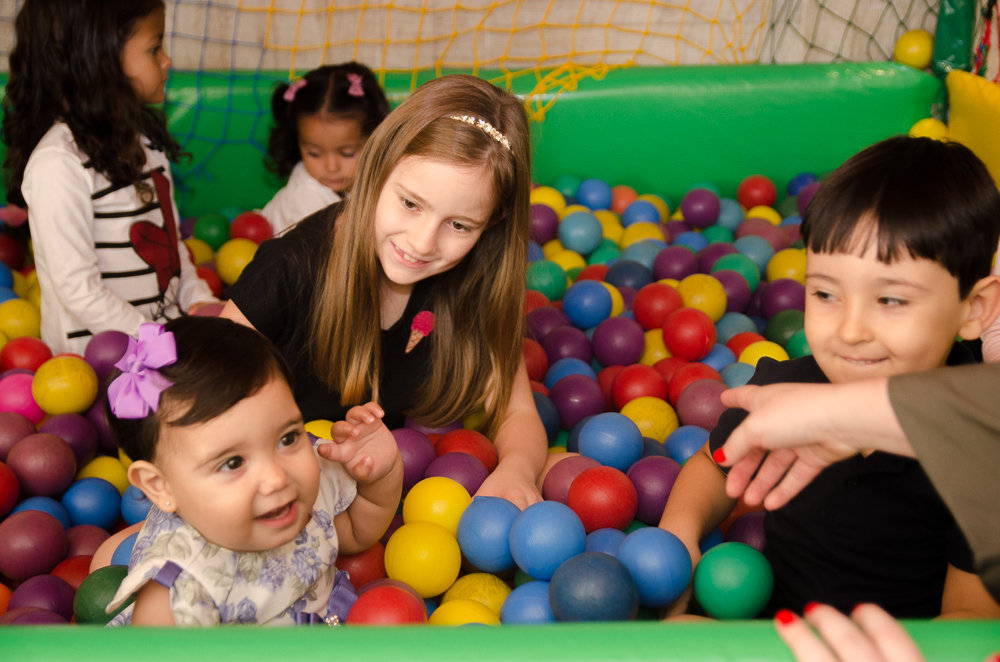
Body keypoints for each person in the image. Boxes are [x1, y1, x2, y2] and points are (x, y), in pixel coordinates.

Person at [658, 136, 1000, 619]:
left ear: (974, 310)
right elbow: (714, 466)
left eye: (892, 300)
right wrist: (680, 536)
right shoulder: (785, 390)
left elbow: (968, 624)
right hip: (772, 630)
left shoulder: (978, 453)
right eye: (824, 294)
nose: (851, 330)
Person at [222, 74, 547, 509]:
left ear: (493, 222)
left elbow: (517, 412)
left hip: (381, 487)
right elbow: (209, 397)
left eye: (459, 225)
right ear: (376, 168)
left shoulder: (476, 280)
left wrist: (516, 470)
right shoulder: (290, 268)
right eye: (410, 204)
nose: (422, 242)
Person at [103, 317, 402, 626]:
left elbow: (355, 534)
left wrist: (384, 473)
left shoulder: (305, 472)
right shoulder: (179, 598)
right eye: (233, 463)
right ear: (161, 487)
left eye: (287, 438)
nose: (276, 477)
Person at [2, 0, 218, 355]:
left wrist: (200, 302)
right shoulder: (59, 163)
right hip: (99, 360)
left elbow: (171, 248)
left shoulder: (147, 148)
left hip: (163, 337)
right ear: (98, 61)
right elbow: (79, 292)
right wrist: (161, 341)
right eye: (154, 48)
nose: (167, 61)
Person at [261, 62, 390, 233]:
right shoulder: (307, 199)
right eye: (314, 154)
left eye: (347, 153)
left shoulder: (373, 177)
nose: (331, 167)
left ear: (374, 140)